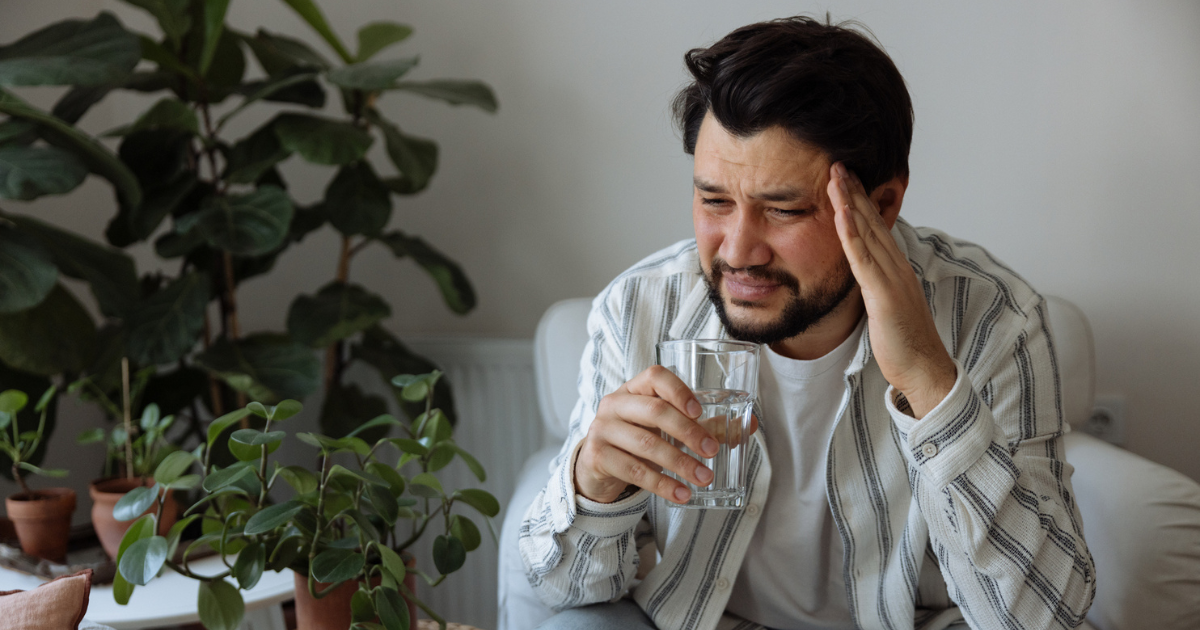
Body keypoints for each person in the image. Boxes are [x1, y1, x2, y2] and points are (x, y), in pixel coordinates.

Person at [519, 15, 1096, 630]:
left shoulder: (992, 321)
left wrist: (930, 381)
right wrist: (595, 481)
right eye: (714, 200)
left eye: (784, 209)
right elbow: (563, 588)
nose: (739, 251)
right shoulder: (638, 311)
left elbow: (1046, 617)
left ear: (882, 205)